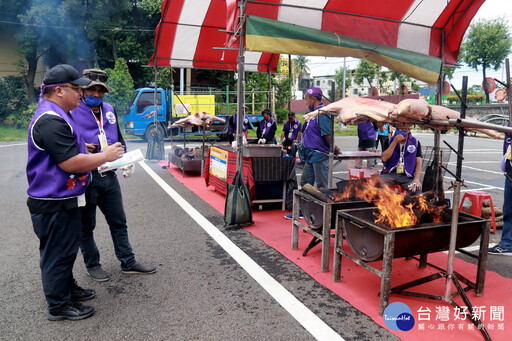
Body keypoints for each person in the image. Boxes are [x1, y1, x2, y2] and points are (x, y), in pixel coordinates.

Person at [27, 64, 125, 320]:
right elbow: (69, 163)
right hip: (53, 202)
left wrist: (88, 149)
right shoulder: (51, 120)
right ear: (59, 90)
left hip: (64, 197)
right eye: (76, 89)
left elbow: (69, 152)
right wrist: (104, 156)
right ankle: (58, 306)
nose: (81, 94)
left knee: (66, 251)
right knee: (57, 255)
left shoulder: (58, 114)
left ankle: (67, 290)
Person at [73, 69, 156, 281]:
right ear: (82, 90)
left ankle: (128, 261)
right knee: (86, 225)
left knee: (118, 221)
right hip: (86, 176)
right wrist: (81, 147)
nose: (97, 94)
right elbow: (66, 143)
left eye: (101, 91)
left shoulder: (109, 109)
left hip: (109, 176)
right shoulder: (72, 110)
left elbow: (118, 137)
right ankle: (92, 264)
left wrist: (127, 160)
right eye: (92, 89)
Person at [285, 87, 340, 219]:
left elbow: (327, 134)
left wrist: (334, 149)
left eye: (306, 98)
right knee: (305, 184)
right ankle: (303, 210)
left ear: (313, 99)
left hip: (320, 155)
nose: (305, 101)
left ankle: (324, 215)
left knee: (323, 187)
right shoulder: (313, 114)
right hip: (310, 156)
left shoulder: (322, 113)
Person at [380, 128, 422, 195]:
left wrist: (416, 179)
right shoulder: (389, 141)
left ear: (409, 130)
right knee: (378, 188)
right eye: (400, 129)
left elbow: (419, 162)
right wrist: (394, 142)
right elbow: (384, 158)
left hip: (407, 176)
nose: (402, 131)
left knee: (417, 192)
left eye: (405, 129)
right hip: (390, 173)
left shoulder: (415, 142)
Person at [489, 133, 512, 255]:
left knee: (509, 210)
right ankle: (507, 242)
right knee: (508, 210)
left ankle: (507, 243)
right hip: (510, 171)